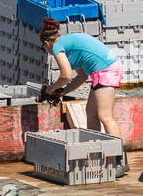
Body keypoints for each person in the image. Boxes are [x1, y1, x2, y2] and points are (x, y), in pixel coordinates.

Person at [38, 19, 127, 176]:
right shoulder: (68, 45)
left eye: (43, 48)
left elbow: (65, 76)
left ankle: (120, 160)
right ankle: (97, 155)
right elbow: (81, 77)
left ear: (46, 42)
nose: (46, 51)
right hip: (103, 70)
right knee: (91, 113)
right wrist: (61, 93)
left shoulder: (58, 46)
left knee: (105, 116)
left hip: (105, 70)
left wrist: (51, 89)